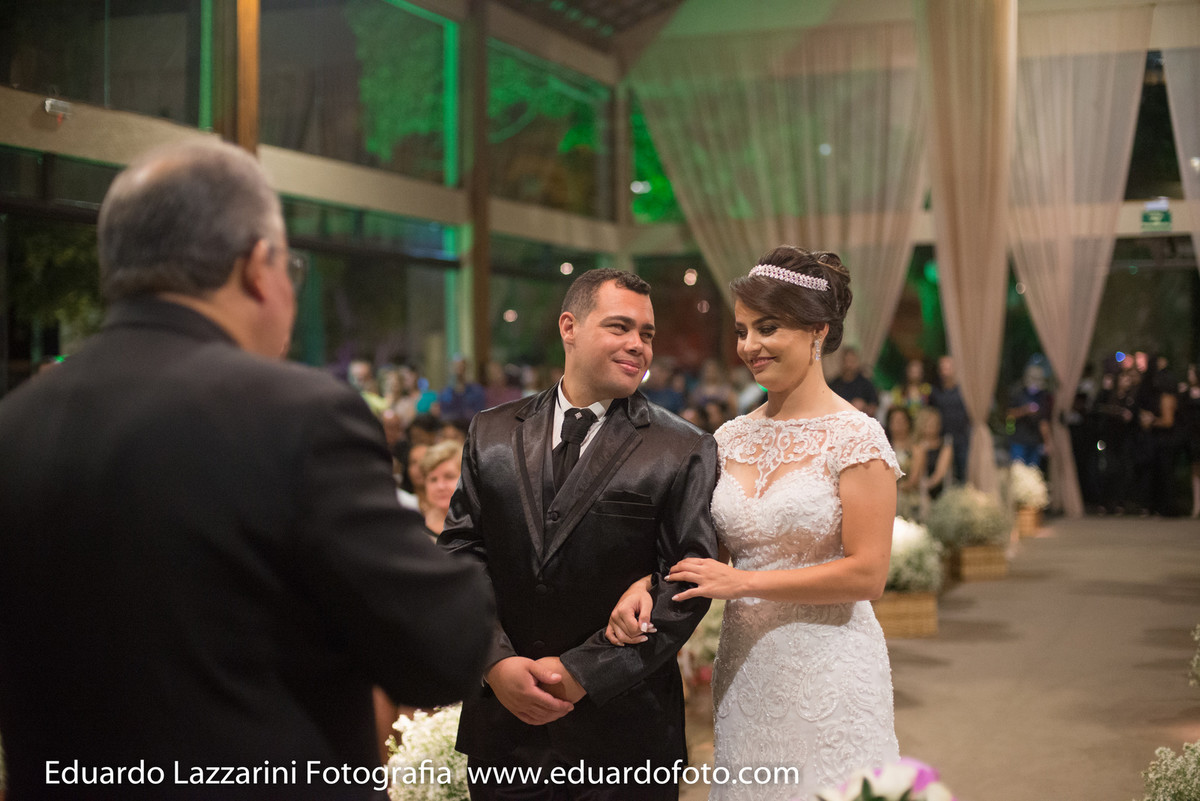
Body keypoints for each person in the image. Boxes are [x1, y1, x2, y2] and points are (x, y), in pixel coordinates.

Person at [0, 140, 493, 800]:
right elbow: (443, 649)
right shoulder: (300, 415)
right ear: (259, 266)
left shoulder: (16, 424)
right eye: (290, 266)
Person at [608, 246, 900, 799]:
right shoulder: (729, 437)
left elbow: (868, 575)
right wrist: (644, 584)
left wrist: (744, 582)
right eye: (742, 331)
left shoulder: (857, 437)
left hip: (832, 667)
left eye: (768, 328)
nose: (749, 346)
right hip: (747, 666)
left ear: (817, 331)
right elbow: (705, 554)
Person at [438, 268, 720, 801]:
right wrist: (493, 662)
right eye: (620, 327)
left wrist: (582, 672)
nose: (638, 345)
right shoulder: (491, 431)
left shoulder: (682, 446)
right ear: (569, 327)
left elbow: (687, 580)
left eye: (647, 334)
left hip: (625, 736)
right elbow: (458, 552)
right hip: (504, 735)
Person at [929, 355, 970, 484]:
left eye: (948, 368)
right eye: (942, 368)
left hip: (962, 436)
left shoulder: (964, 392)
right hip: (942, 437)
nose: (945, 371)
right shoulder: (935, 391)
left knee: (963, 470)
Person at [1007, 363, 1053, 468]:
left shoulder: (1043, 396)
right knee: (1018, 472)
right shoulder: (1018, 393)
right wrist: (1025, 410)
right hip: (1018, 441)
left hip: (1035, 442)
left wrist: (1047, 442)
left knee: (1033, 472)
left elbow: (1044, 422)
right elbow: (1009, 415)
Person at [910, 406, 954, 515]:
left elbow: (940, 474)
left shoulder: (946, 445)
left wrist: (924, 486)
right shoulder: (916, 446)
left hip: (940, 492)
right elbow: (916, 474)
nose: (932, 426)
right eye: (929, 423)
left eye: (935, 423)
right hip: (919, 493)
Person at [421, 439, 464, 536]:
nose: (440, 486)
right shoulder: (414, 529)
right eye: (433, 479)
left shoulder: (482, 528)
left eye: (449, 477)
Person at [885, 407, 921, 521]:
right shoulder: (883, 447)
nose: (898, 424)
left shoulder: (916, 449)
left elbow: (914, 479)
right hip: (885, 494)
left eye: (902, 420)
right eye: (895, 421)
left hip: (909, 496)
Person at [828, 346, 879, 417]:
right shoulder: (834, 384)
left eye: (852, 362)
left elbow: (873, 407)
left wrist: (864, 407)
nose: (849, 365)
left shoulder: (866, 384)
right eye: (846, 361)